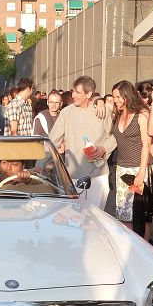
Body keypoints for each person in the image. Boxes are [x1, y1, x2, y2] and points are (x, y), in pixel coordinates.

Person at [48, 76, 115, 208]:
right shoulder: (66, 113)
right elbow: (52, 141)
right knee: (75, 219)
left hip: (98, 177)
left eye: (78, 92)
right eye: (73, 91)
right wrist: (40, 165)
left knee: (96, 218)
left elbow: (113, 137)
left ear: (89, 94)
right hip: (73, 176)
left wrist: (103, 149)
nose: (73, 95)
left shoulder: (103, 111)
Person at [105, 81, 151, 237]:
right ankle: (127, 248)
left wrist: (141, 173)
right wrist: (99, 102)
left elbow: (146, 145)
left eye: (118, 96)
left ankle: (145, 251)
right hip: (122, 170)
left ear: (127, 95)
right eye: (113, 97)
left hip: (139, 169)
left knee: (143, 215)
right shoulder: (118, 113)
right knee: (123, 213)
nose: (115, 100)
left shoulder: (142, 115)